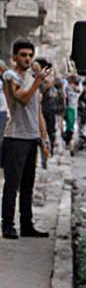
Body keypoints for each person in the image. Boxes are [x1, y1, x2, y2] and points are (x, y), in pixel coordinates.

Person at [2, 39, 49, 238]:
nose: (28, 58)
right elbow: (22, 97)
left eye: (30, 55)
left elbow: (37, 110)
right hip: (16, 137)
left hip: (31, 138)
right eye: (23, 55)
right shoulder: (10, 76)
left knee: (28, 186)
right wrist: (38, 80)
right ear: (15, 57)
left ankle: (26, 224)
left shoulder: (31, 77)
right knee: (12, 184)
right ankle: (8, 225)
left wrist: (44, 137)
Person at [38, 59, 62, 167]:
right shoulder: (37, 80)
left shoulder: (53, 80)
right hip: (41, 109)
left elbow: (60, 93)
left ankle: (47, 154)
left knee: (51, 131)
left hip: (51, 109)